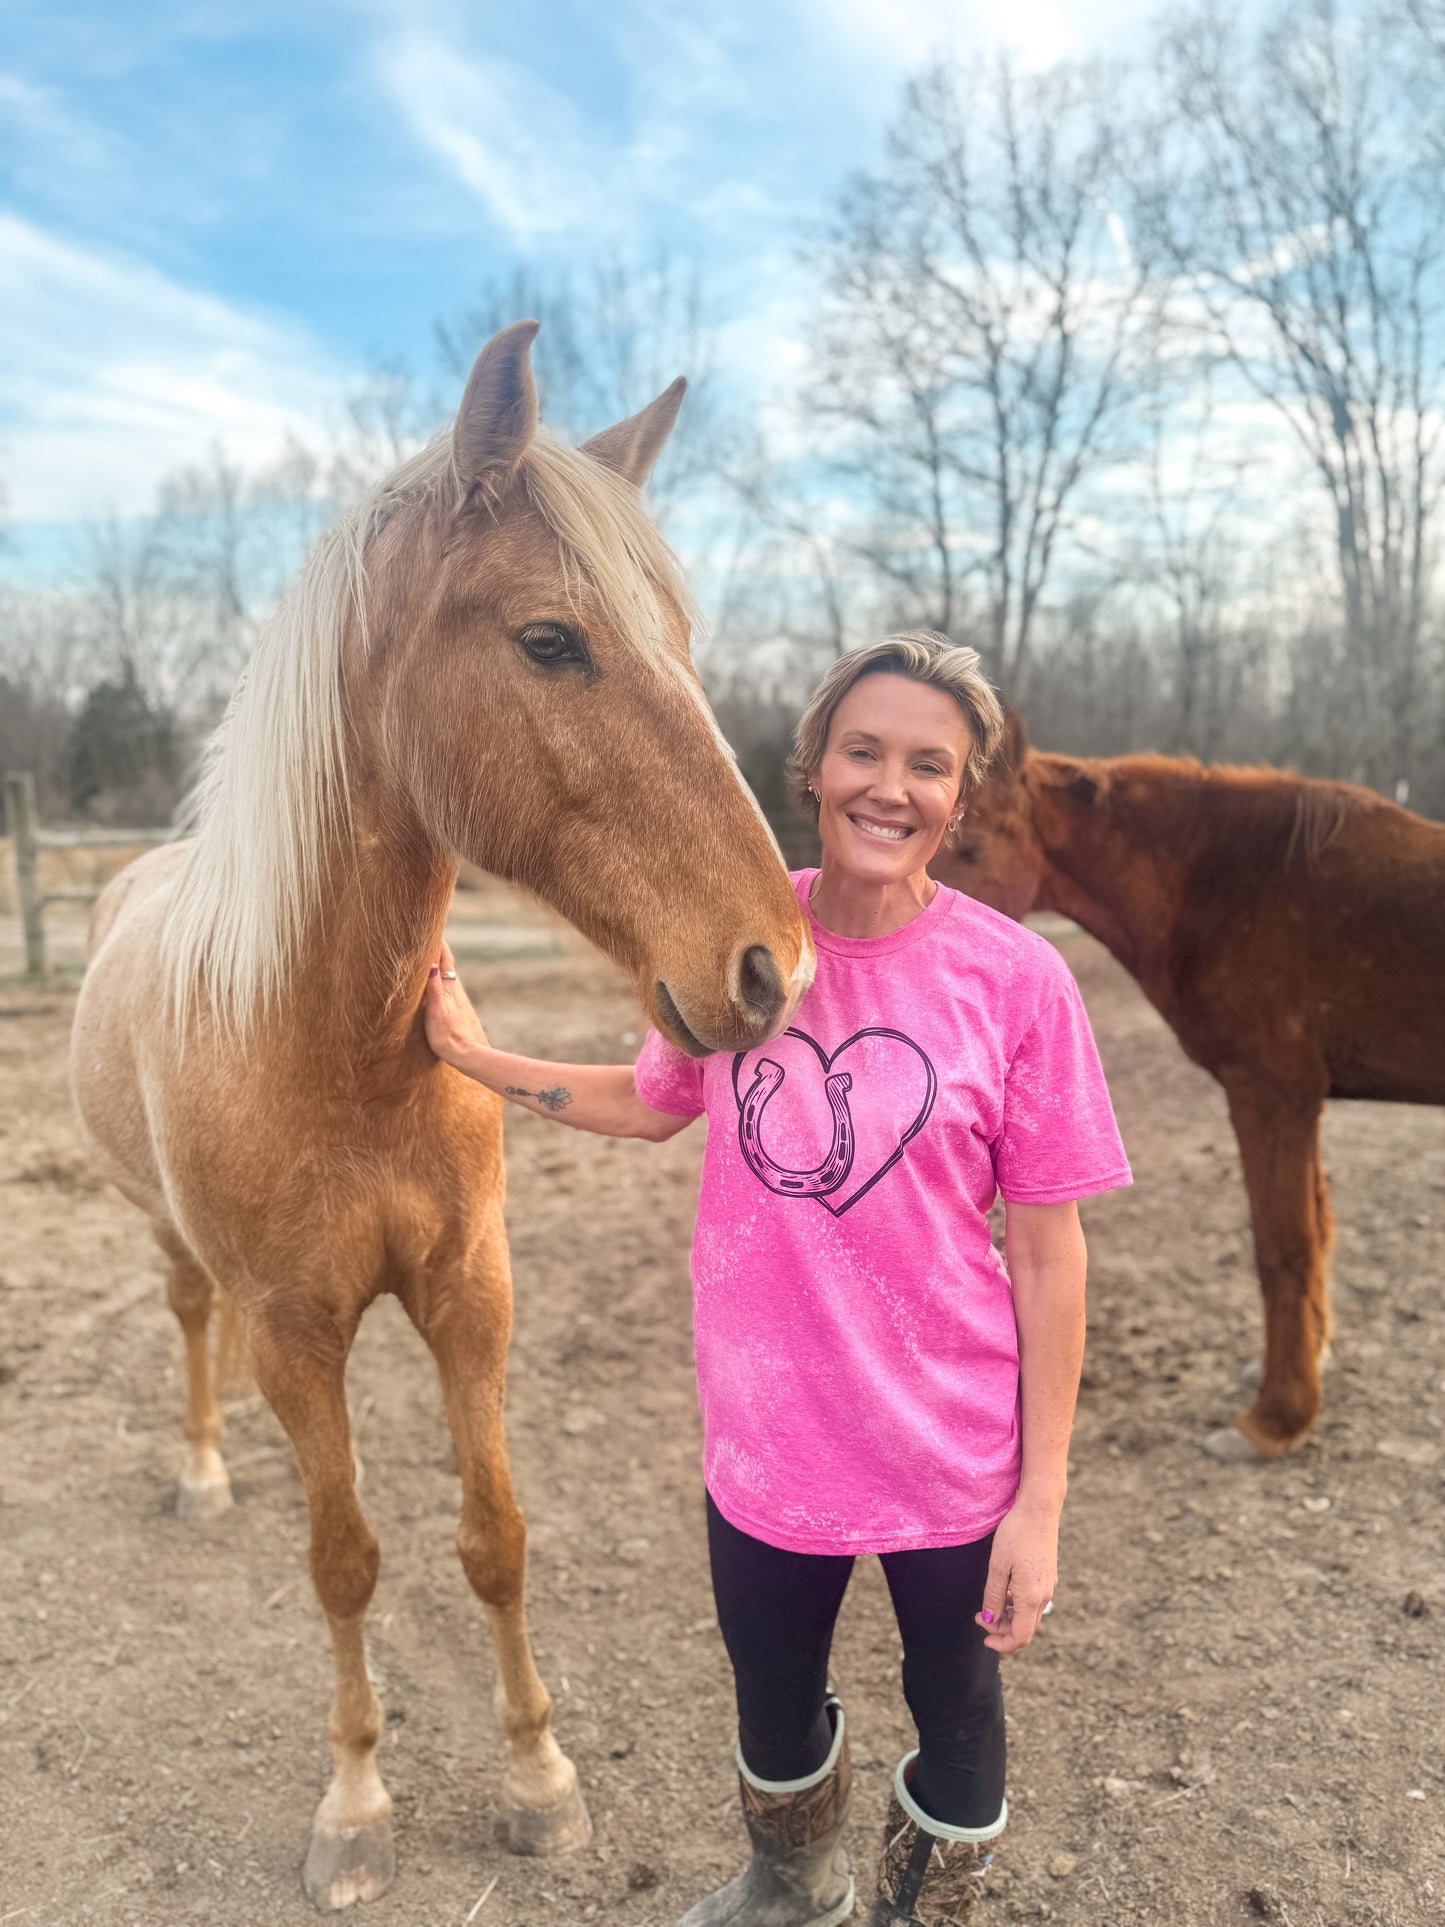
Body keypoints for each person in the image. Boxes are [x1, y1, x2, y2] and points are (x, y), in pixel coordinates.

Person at [424, 632, 1131, 1926]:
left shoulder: (1016, 983)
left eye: (928, 765)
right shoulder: (745, 940)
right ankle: (791, 1881)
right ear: (812, 765)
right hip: (770, 1446)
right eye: (864, 750)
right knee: (770, 1692)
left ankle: (922, 1912)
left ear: (958, 798)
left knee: (958, 1712)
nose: (890, 786)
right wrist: (475, 1057)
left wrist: (1039, 1500)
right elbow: (646, 1106)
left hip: (950, 1461)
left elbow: (1045, 1247)